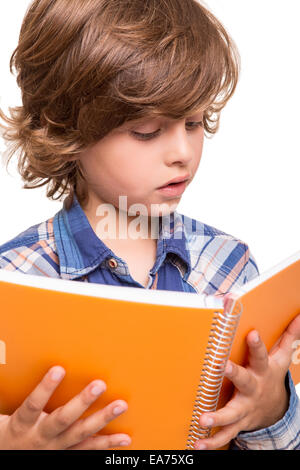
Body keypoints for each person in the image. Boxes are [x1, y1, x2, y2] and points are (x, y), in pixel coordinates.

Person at [0, 0, 299, 451]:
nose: (183, 151)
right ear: (66, 130)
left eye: (194, 123)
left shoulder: (229, 266)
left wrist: (271, 409)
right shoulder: (17, 279)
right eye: (146, 131)